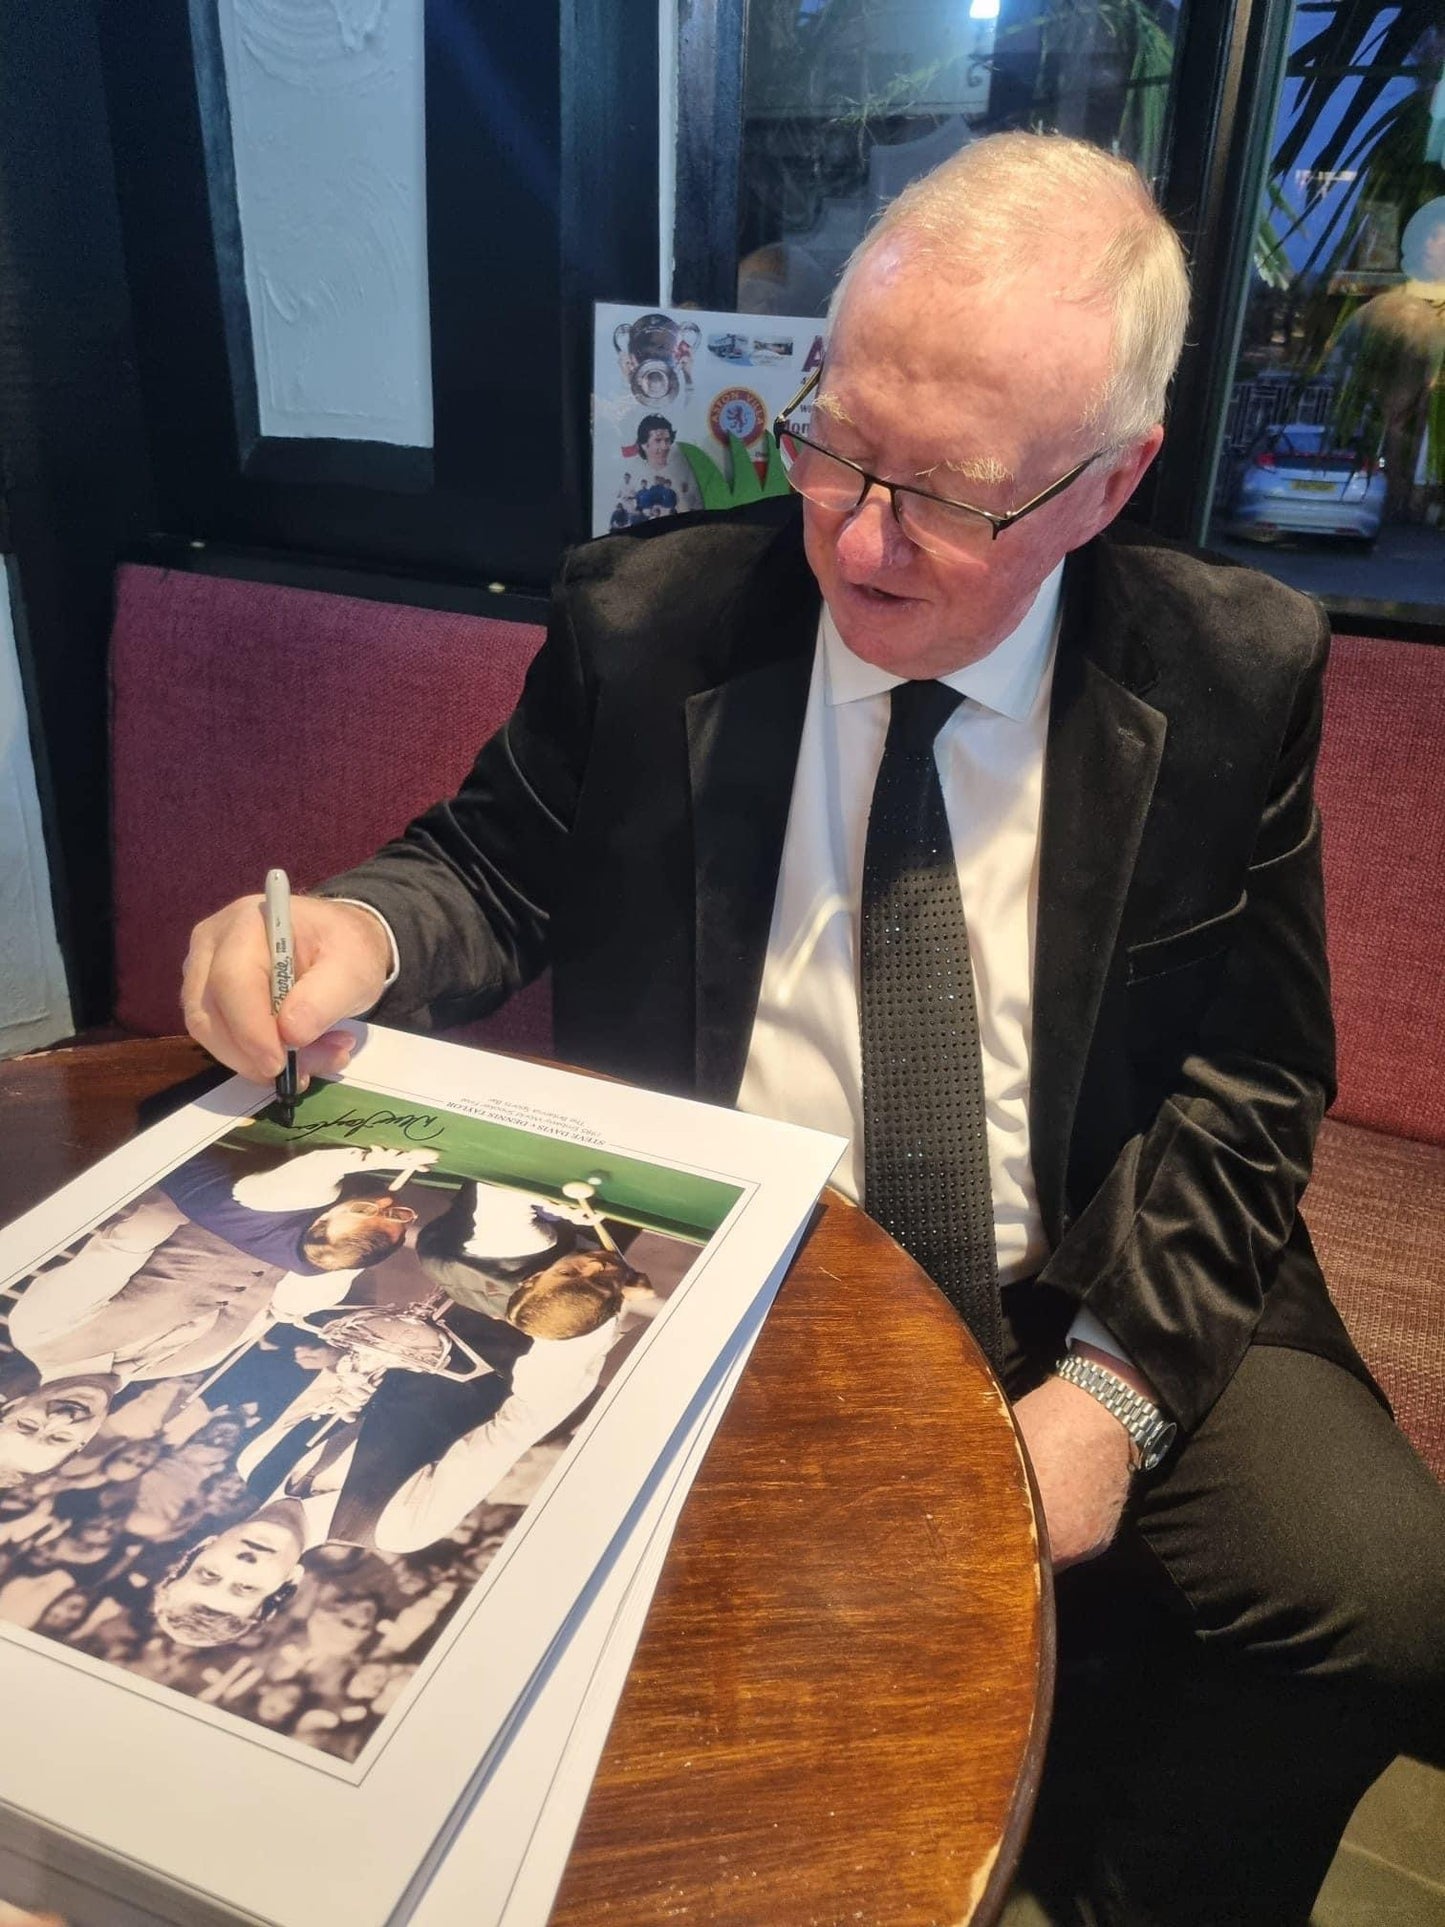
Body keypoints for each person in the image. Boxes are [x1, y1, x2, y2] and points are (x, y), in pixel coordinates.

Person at [180, 132, 1445, 1923]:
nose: (861, 530)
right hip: (755, 1261)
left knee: (1389, 1604)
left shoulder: (1231, 669)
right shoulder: (656, 620)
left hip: (1087, 1254)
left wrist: (1107, 1396)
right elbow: (489, 865)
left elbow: (1252, 1079)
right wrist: (349, 937)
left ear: (1110, 480)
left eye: (953, 490)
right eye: (836, 441)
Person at [5, 1144, 434, 1389]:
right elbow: (276, 1309)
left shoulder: (39, 1331)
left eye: (31, 1426)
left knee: (290, 1203)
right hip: (306, 1240)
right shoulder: (182, 1366)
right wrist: (333, 1267)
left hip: (220, 1198)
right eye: (62, 1441)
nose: (63, 1422)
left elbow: (134, 1233)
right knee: (356, 1242)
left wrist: (238, 1210)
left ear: (9, 1408)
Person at [609, 413, 703, 528]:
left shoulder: (685, 470)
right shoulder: (633, 474)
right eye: (658, 440)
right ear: (644, 444)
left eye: (667, 440)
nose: (664, 446)